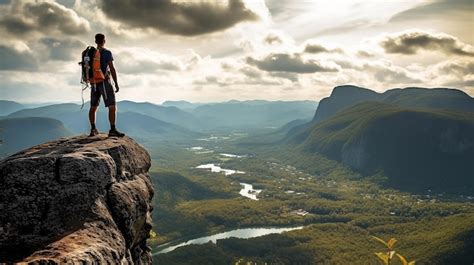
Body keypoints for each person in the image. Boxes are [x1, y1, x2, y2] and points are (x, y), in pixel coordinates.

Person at [88, 33, 125, 137]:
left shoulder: (91, 53)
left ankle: (93, 129)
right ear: (104, 41)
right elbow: (112, 68)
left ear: (95, 41)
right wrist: (116, 84)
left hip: (94, 82)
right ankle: (112, 129)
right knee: (112, 106)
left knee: (93, 106)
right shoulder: (107, 53)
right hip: (104, 82)